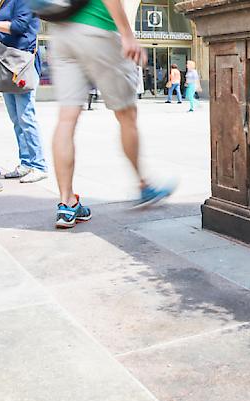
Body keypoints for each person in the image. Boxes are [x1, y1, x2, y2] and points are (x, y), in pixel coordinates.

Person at [49, 0, 175, 229]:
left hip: (61, 33)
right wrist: (127, 34)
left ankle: (66, 203)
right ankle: (143, 185)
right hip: (98, 28)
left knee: (66, 119)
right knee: (127, 115)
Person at [0, 0, 48, 184]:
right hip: (6, 62)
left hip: (20, 63)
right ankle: (26, 163)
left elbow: (19, 26)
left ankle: (39, 165)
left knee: (26, 117)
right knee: (16, 119)